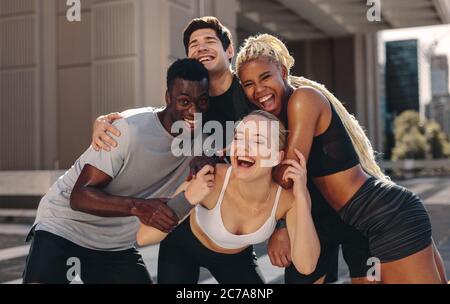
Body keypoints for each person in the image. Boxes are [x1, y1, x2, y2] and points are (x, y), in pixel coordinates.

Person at [90, 16, 374, 284]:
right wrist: (113, 118)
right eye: (193, 45)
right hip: (197, 225)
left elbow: (291, 139)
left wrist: (283, 226)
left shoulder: (254, 95)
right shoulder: (194, 103)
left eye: (210, 41)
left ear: (229, 51)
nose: (201, 47)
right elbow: (159, 115)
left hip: (279, 219)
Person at [235, 33, 448, 283]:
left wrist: (278, 223)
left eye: (265, 77)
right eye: (248, 84)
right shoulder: (278, 122)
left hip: (386, 216)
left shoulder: (304, 100)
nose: (258, 89)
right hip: (357, 227)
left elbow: (288, 173)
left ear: (282, 71)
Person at [22, 58, 210, 284]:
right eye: (184, 101)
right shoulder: (128, 130)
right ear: (168, 98)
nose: (194, 111)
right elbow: (79, 196)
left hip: (114, 245)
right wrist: (139, 207)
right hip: (64, 227)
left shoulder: (206, 138)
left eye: (201, 102)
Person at [137, 111, 320, 283]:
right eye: (239, 138)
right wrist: (188, 199)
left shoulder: (290, 198)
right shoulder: (211, 178)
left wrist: (302, 196)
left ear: (275, 157)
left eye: (257, 141)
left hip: (234, 259)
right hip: (181, 249)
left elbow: (306, 266)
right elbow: (144, 237)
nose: (243, 147)